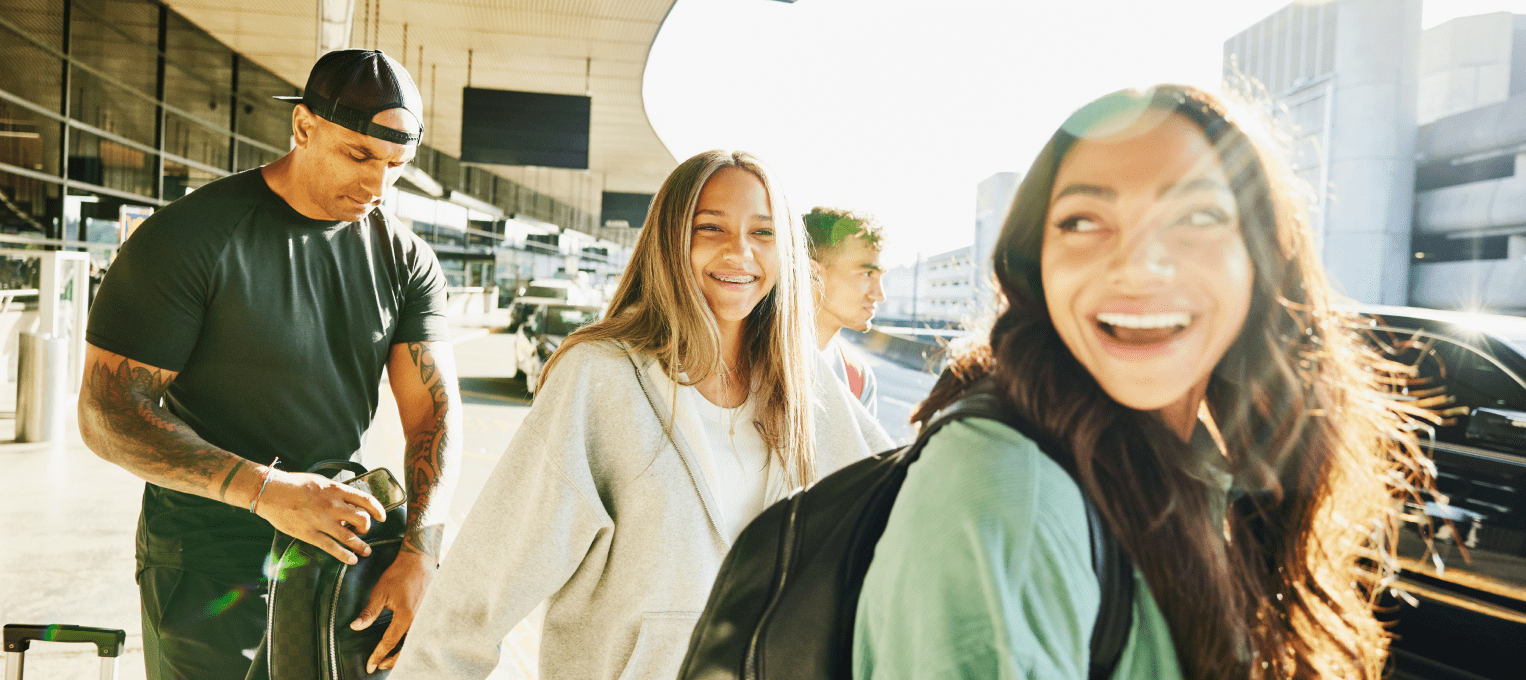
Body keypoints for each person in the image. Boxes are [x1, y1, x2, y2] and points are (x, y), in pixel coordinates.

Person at [853, 85, 1428, 679]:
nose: (1138, 263)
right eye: (1083, 220)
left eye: (1197, 216)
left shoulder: (1200, 462)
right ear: (1036, 263)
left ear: (1260, 257)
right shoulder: (1003, 491)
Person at [394, 150, 893, 680]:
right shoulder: (601, 378)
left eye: (763, 233)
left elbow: (898, 527)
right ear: (670, 240)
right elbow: (484, 585)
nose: (739, 252)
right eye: (710, 227)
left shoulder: (805, 386)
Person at [78, 49, 459, 679]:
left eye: (396, 166)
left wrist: (420, 554)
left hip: (336, 554)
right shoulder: (190, 236)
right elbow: (108, 413)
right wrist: (266, 491)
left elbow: (435, 416)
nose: (377, 184)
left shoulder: (405, 257)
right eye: (358, 155)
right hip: (205, 556)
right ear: (303, 127)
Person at [804, 207, 887, 414]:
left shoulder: (858, 377)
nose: (879, 295)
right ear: (812, 273)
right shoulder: (742, 358)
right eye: (866, 274)